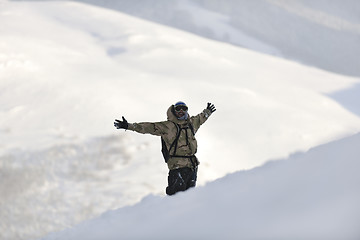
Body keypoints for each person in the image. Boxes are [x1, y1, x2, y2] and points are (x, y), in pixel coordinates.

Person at [114, 101, 216, 195]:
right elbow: (147, 127)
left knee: (189, 199)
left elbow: (200, 118)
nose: (181, 111)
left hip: (192, 167)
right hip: (177, 167)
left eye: (184, 109)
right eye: (178, 109)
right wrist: (129, 126)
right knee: (176, 198)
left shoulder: (191, 124)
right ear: (174, 111)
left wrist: (207, 111)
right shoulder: (167, 126)